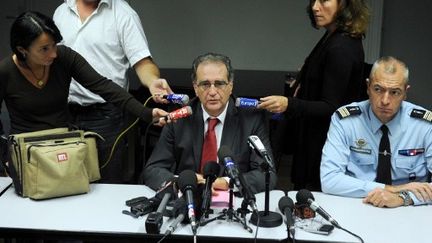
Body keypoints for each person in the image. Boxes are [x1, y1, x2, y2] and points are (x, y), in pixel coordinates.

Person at [53, 0, 173, 183]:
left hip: (108, 114)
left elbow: (142, 61)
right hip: (65, 113)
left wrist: (152, 81)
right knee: (66, 180)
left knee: (108, 181)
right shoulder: (61, 12)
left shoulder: (124, 13)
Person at [258, 0, 370, 191]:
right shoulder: (333, 35)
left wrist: (288, 103)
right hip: (314, 141)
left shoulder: (341, 47)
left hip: (323, 147)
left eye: (324, 0)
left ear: (345, 4)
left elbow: (331, 106)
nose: (315, 7)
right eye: (313, 1)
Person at [0, 11, 167, 138]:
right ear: (22, 50)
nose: (53, 54)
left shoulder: (64, 56)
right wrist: (4, 155)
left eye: (54, 45)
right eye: (44, 49)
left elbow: (103, 86)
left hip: (63, 145)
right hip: (25, 148)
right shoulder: (5, 71)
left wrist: (147, 113)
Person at [141, 53, 277, 194]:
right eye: (205, 84)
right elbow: (152, 170)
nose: (212, 92)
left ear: (230, 86)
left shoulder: (251, 119)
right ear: (195, 88)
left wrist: (225, 183)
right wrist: (184, 183)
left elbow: (267, 174)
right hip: (189, 199)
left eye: (219, 84)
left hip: (233, 202)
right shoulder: (178, 117)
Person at [320, 56, 432, 208]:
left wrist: (402, 198)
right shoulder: (346, 121)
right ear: (368, 86)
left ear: (405, 92)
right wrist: (392, 190)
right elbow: (329, 180)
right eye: (378, 89)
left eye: (395, 92)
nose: (385, 100)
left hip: (409, 209)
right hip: (358, 204)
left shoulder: (424, 125)